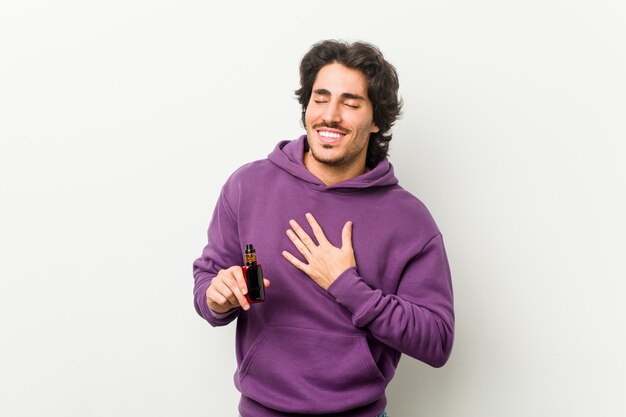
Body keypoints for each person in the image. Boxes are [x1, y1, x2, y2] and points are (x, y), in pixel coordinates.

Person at [192, 39, 454, 417]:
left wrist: (347, 285)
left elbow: (437, 341)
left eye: (350, 103)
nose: (330, 115)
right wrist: (215, 298)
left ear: (376, 118)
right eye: (320, 98)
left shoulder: (408, 219)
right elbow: (208, 279)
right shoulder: (248, 187)